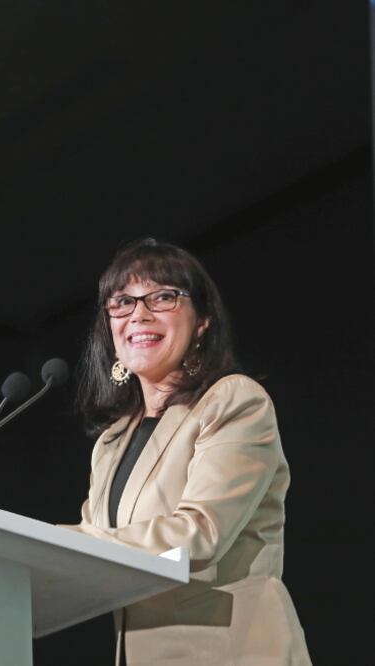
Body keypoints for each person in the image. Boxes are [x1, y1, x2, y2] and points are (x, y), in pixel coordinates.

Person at [65, 239, 310, 665]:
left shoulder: (234, 402)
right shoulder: (112, 441)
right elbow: (97, 558)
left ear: (202, 322)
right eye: (122, 302)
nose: (139, 314)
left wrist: (63, 542)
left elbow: (201, 532)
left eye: (163, 297)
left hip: (233, 651)